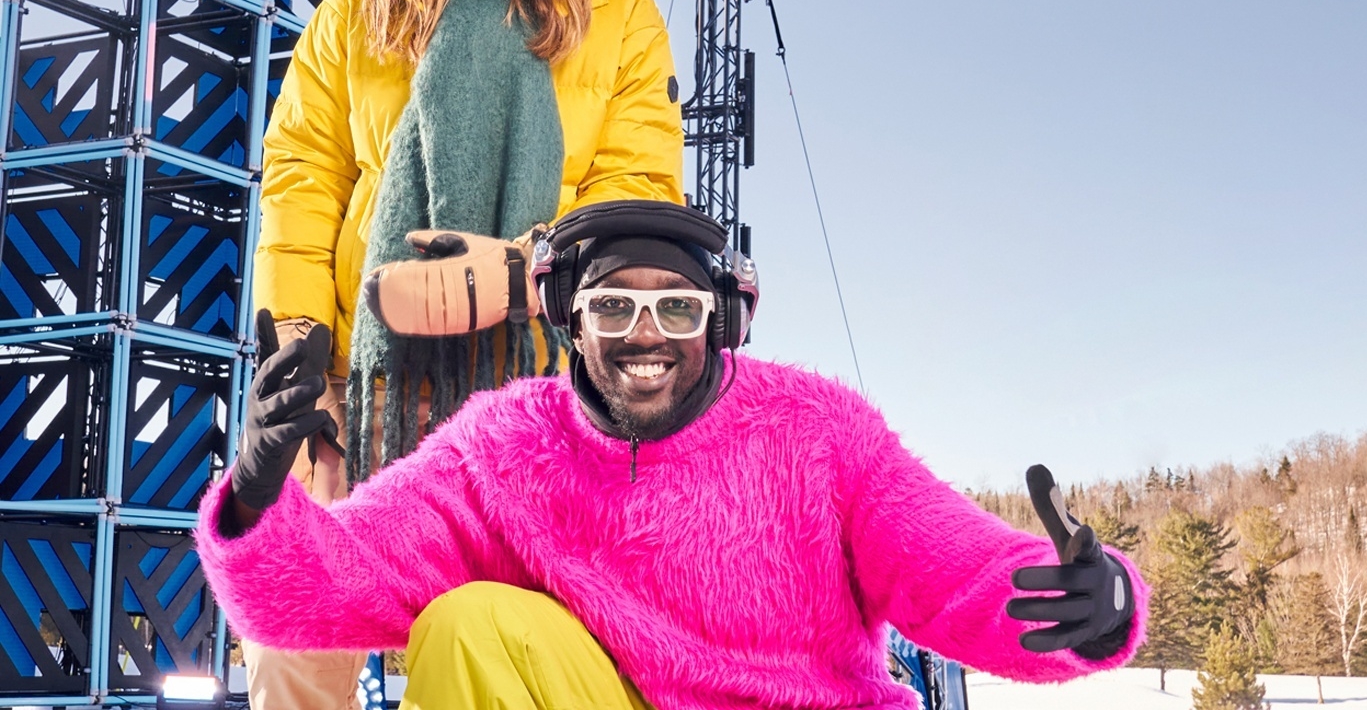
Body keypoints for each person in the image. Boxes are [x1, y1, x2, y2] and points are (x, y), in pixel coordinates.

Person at [197, 200, 1146, 709]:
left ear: (718, 322)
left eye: (676, 309)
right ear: (571, 322)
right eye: (613, 306)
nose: (644, 334)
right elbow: (341, 579)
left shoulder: (816, 430)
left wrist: (1095, 603)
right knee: (470, 624)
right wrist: (254, 503)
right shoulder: (503, 447)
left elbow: (953, 566)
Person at [247, 0, 684, 707]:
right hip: (365, 381)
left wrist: (525, 270)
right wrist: (299, 351)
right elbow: (305, 174)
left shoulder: (619, 14)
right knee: (290, 630)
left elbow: (640, 196)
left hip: (535, 395)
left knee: (487, 640)